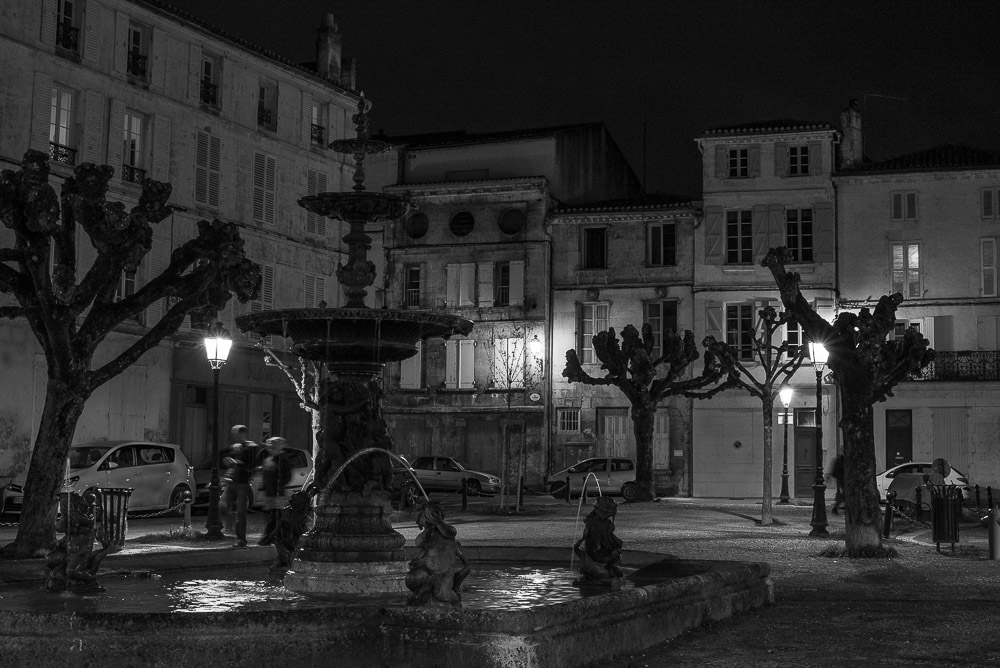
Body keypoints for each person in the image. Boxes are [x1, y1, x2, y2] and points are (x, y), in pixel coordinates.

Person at [220, 425, 258, 547]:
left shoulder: (251, 447)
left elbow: (250, 465)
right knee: (223, 505)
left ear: (243, 434)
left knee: (241, 512)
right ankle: (230, 530)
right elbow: (233, 466)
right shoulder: (236, 447)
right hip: (232, 480)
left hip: (242, 482)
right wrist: (227, 474)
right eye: (233, 434)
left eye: (236, 434)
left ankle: (241, 538)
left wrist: (236, 462)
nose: (234, 436)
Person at [257, 437, 293, 545]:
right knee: (272, 515)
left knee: (275, 515)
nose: (268, 448)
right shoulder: (269, 459)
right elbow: (265, 475)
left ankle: (270, 537)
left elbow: (286, 476)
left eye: (271, 446)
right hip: (270, 493)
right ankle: (273, 536)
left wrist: (277, 484)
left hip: (277, 493)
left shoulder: (282, 460)